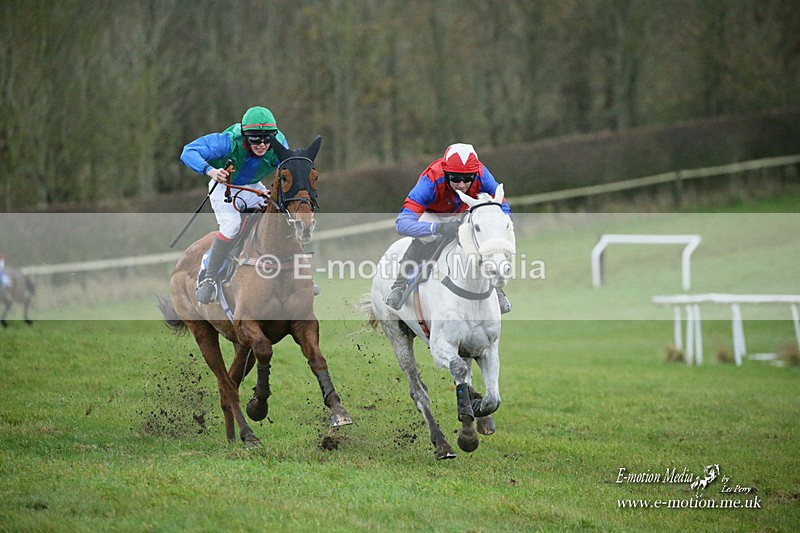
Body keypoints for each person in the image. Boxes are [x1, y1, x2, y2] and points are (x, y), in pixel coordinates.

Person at [385, 143, 513, 313]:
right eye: (455, 178)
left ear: (475, 174)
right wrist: (438, 228)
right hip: (433, 215)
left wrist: (500, 226)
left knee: (478, 231)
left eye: (468, 179)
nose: (461, 184)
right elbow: (402, 224)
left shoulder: (482, 174)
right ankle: (399, 285)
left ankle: (495, 288)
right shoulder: (430, 180)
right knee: (428, 236)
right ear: (445, 173)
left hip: (463, 213)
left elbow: (502, 206)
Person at [180, 106, 288, 304]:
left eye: (267, 139)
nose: (262, 145)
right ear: (245, 135)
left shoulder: (279, 142)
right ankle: (209, 277)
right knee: (232, 226)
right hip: (224, 186)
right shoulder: (228, 141)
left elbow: (288, 168)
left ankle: (294, 275)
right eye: (256, 139)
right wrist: (210, 170)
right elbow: (188, 151)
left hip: (253, 187)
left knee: (281, 217)